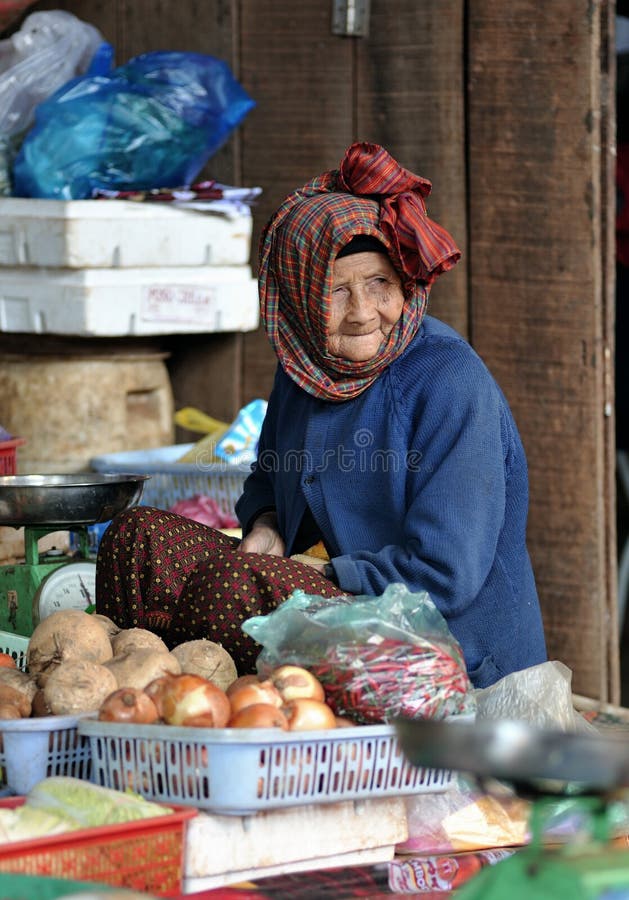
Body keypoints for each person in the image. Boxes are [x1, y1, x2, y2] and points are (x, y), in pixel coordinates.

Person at [95, 141, 547, 689]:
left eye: (380, 283)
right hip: (342, 597)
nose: (361, 313)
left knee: (230, 588)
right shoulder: (305, 367)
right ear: (301, 297)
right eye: (335, 290)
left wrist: (322, 574)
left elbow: (445, 576)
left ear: (406, 282)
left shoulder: (449, 382)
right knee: (137, 539)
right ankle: (152, 699)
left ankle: (231, 703)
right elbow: (268, 476)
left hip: (439, 645)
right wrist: (266, 525)